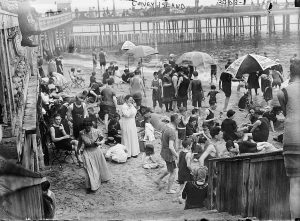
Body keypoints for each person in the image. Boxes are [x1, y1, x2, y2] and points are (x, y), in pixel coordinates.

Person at [277, 59, 300, 219]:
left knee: (295, 184)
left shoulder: (282, 92)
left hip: (293, 137)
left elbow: (287, 114)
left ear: (290, 72)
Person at [78, 118, 111, 193]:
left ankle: (97, 181)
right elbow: (79, 143)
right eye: (86, 127)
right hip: (87, 151)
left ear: (91, 125)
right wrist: (78, 152)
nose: (87, 128)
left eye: (89, 126)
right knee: (89, 169)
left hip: (96, 151)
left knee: (97, 168)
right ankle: (91, 186)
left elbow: (103, 139)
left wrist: (100, 143)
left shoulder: (97, 131)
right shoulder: (81, 133)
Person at [155, 114, 180, 194]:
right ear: (175, 120)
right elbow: (171, 147)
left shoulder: (166, 126)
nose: (180, 121)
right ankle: (169, 190)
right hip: (169, 154)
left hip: (164, 151)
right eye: (179, 119)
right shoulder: (172, 131)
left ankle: (158, 179)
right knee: (173, 172)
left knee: (169, 169)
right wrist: (176, 155)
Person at [177, 138, 193, 203]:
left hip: (180, 171)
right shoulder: (188, 154)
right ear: (188, 146)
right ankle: (181, 198)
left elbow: (178, 163)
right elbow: (188, 165)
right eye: (191, 145)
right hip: (185, 172)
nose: (191, 146)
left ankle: (178, 196)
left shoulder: (180, 152)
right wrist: (192, 170)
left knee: (181, 185)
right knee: (185, 186)